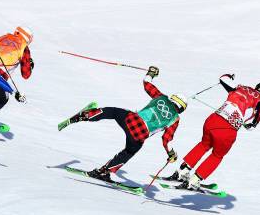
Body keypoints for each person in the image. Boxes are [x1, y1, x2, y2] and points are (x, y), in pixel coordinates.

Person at [58, 66, 187, 182]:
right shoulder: (175, 119)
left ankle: (86, 115)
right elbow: (167, 140)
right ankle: (104, 172)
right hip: (139, 136)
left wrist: (151, 73)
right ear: (181, 109)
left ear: (172, 98)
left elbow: (146, 83)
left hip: (131, 119)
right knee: (128, 152)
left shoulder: (161, 97)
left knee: (113, 112)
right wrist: (171, 154)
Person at [168, 75, 260, 190]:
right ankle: (194, 181)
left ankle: (181, 172)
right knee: (217, 155)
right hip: (228, 129)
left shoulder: (241, 87)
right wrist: (253, 124)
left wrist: (229, 76)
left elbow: (223, 79)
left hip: (212, 120)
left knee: (203, 145)